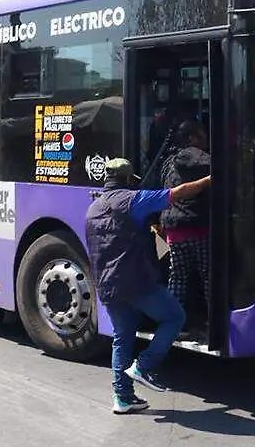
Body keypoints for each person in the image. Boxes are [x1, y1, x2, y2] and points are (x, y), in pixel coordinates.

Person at [85, 158, 211, 414]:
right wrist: (210, 180)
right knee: (175, 317)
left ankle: (122, 398)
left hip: (106, 284)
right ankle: (144, 366)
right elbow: (179, 193)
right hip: (136, 280)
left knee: (122, 337)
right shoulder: (134, 200)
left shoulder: (93, 208)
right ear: (129, 180)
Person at [159, 121, 212, 336]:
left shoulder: (168, 162)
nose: (206, 140)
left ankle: (173, 324)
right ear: (191, 139)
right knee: (208, 275)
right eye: (202, 135)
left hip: (173, 229)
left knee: (178, 277)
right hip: (196, 227)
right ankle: (213, 320)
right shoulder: (194, 155)